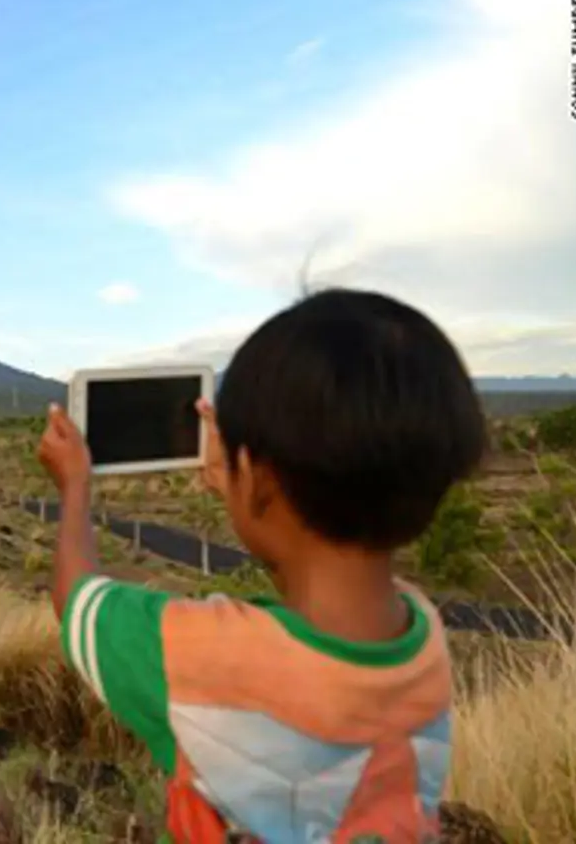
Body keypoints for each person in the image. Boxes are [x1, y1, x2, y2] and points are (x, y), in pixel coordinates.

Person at [37, 289, 486, 843]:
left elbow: (76, 599)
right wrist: (253, 493)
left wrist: (75, 487)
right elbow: (320, 573)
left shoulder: (200, 652)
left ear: (259, 473)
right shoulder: (425, 644)